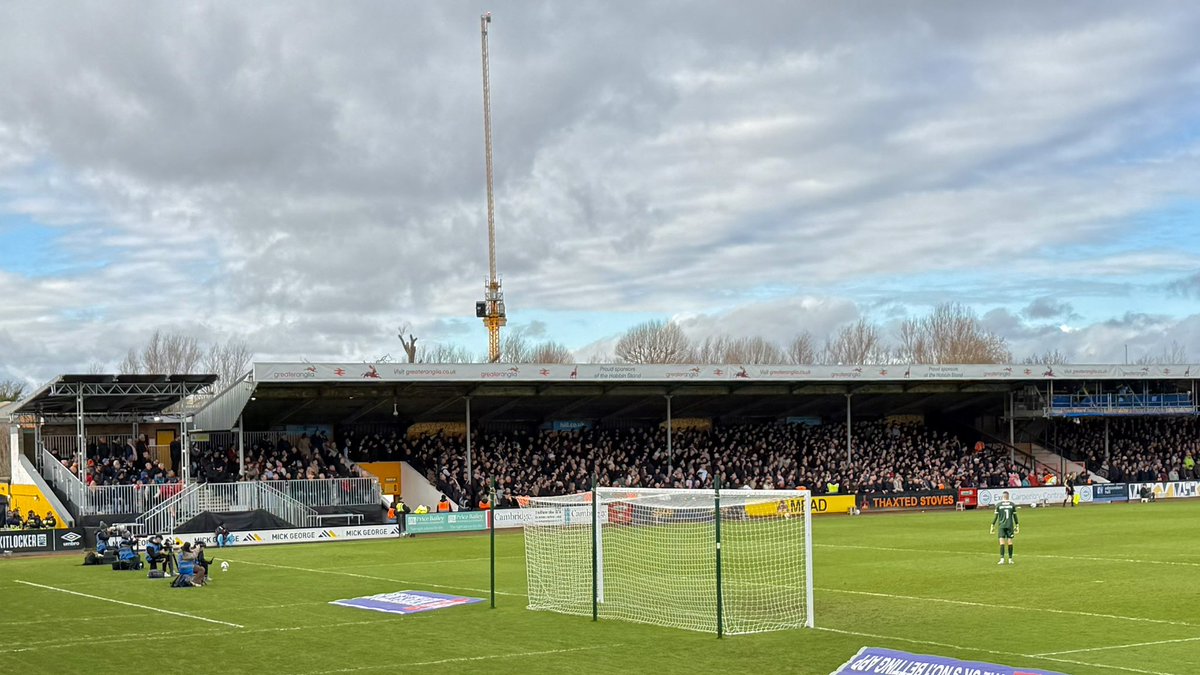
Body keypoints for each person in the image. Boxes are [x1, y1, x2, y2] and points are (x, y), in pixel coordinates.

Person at [990, 491, 1019, 565]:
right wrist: (1017, 525)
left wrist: (992, 525)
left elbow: (996, 517)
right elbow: (1015, 516)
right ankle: (1010, 559)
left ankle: (1002, 559)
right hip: (1009, 525)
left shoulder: (998, 505)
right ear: (1008, 496)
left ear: (1002, 497)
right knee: (1010, 542)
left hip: (1002, 526)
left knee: (1002, 542)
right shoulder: (1012, 505)